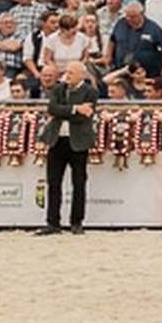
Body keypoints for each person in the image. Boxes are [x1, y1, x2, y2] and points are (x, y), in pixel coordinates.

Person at [40, 59, 100, 234]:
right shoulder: (59, 89)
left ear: (82, 74)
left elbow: (84, 116)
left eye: (71, 72)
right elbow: (52, 109)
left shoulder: (90, 92)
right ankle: (53, 222)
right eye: (67, 72)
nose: (67, 76)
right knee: (53, 183)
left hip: (78, 142)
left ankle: (76, 222)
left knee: (79, 183)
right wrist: (75, 108)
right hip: (57, 140)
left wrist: (65, 111)